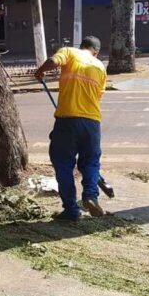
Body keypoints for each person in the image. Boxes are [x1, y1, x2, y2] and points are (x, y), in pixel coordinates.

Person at [34, 36, 107, 221]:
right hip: (92, 122)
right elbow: (98, 96)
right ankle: (90, 196)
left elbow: (53, 61)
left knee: (63, 164)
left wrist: (40, 71)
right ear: (95, 52)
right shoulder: (100, 67)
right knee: (90, 161)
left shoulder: (70, 52)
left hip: (67, 120)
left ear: (81, 46)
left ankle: (72, 210)